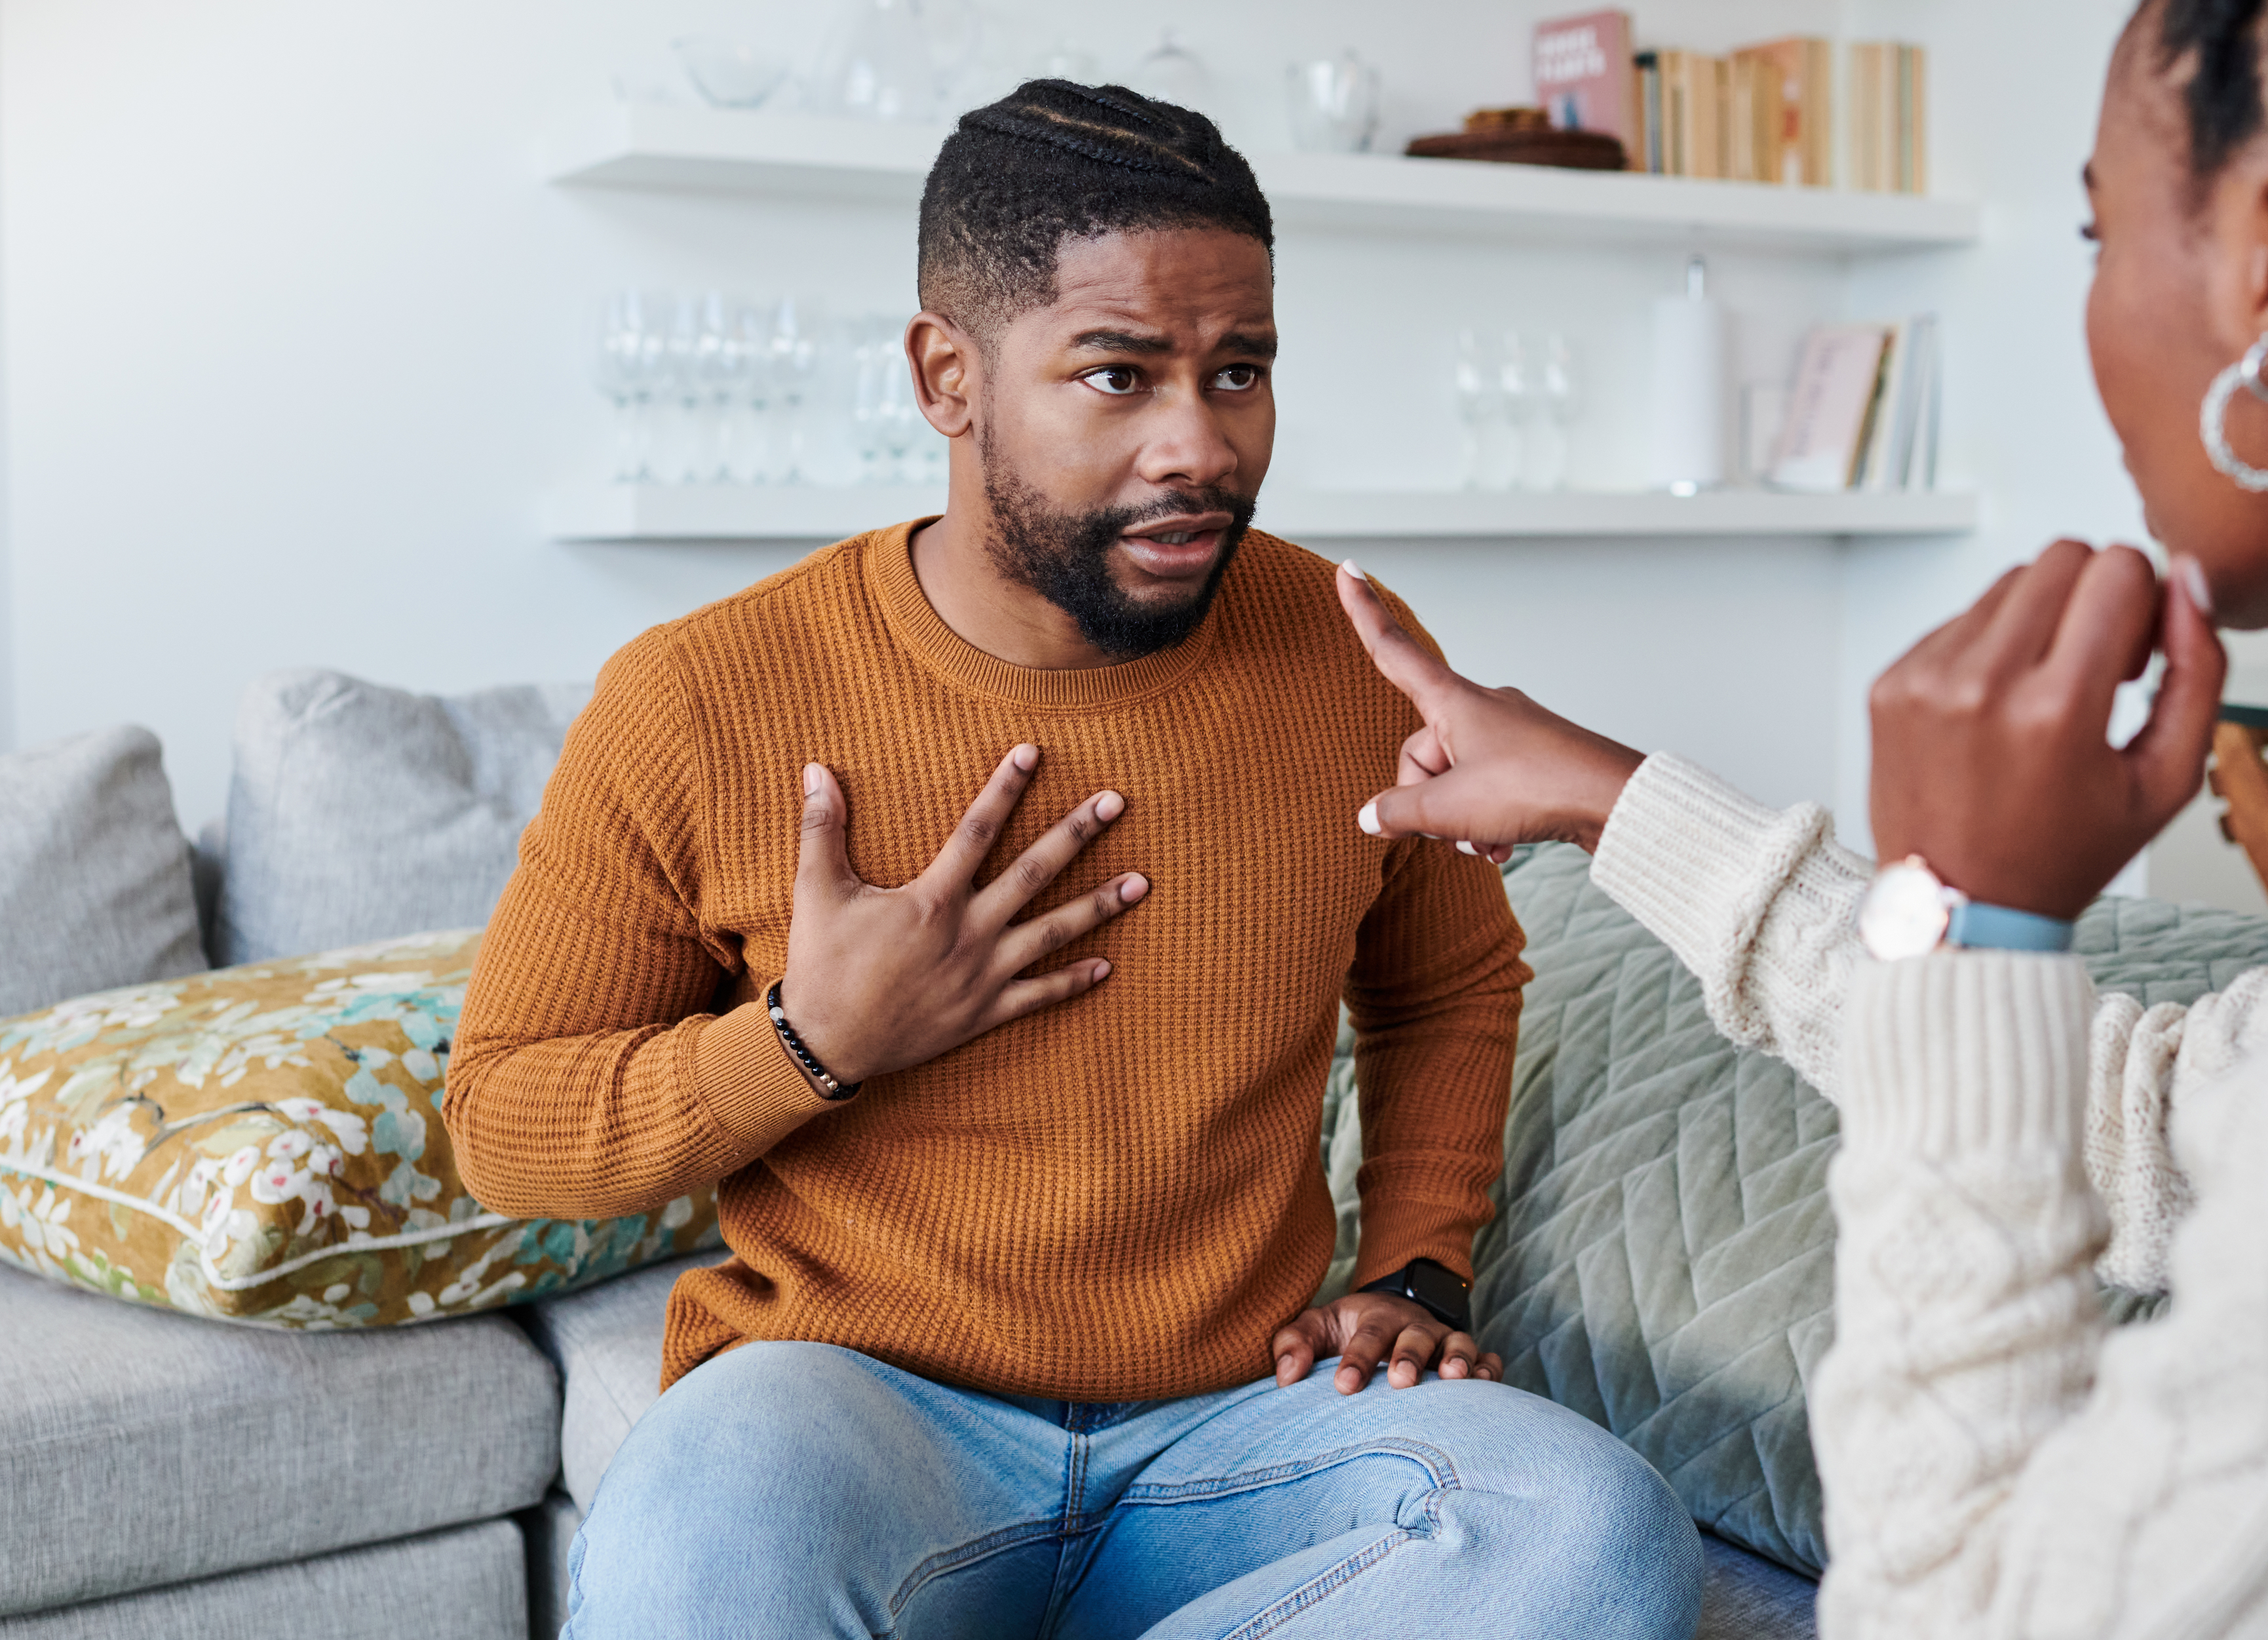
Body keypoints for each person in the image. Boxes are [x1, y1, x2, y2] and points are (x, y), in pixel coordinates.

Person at [1334, 0, 2268, 1631]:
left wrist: (1972, 899)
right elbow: (2150, 1121)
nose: (2088, 316)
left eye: (2099, 235)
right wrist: (1616, 796)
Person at [444, 81, 1701, 1637]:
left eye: (1237, 373)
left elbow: (1446, 979)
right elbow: (503, 1122)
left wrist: (1420, 1265)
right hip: (860, 1411)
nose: (1199, 444)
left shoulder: (1345, 653)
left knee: (1592, 1533)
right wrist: (806, 1043)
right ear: (945, 377)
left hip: (1247, 1420)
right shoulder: (702, 695)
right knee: (692, 1535)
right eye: (1118, 376)